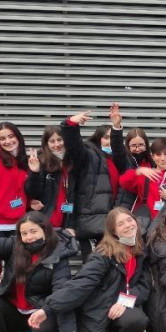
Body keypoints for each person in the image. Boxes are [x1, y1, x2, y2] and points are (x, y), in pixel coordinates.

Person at [28, 208, 150, 332]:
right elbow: (80, 285)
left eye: (129, 220)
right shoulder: (102, 255)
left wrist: (124, 301)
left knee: (137, 320)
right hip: (89, 314)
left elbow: (144, 287)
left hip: (111, 310)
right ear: (113, 231)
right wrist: (47, 308)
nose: (128, 225)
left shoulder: (140, 251)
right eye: (120, 224)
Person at [62, 109, 119, 257]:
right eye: (106, 137)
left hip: (113, 222)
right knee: (93, 268)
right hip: (92, 224)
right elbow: (74, 148)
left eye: (112, 137)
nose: (109, 141)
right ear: (98, 138)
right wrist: (70, 126)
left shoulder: (117, 159)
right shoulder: (89, 155)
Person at [118, 136, 166, 235]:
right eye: (158, 155)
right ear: (152, 156)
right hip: (149, 228)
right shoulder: (146, 174)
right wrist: (138, 171)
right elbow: (122, 182)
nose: (163, 158)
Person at [25, 122, 83, 230]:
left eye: (60, 140)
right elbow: (33, 192)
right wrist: (35, 172)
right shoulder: (41, 162)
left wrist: (72, 225)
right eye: (52, 141)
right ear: (46, 144)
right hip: (46, 222)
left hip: (67, 222)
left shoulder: (72, 162)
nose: (57, 144)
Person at [108, 103, 154, 210]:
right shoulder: (124, 160)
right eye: (133, 145)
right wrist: (116, 127)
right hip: (125, 208)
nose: (137, 149)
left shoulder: (151, 162)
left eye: (141, 145)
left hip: (146, 210)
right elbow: (117, 147)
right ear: (128, 146)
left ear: (146, 145)